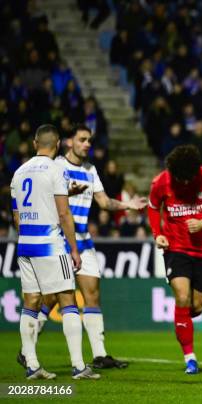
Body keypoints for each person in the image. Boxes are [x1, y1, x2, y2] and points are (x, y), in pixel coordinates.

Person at [17, 124, 147, 370]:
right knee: (52, 297)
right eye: (83, 139)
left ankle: (99, 354)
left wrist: (129, 205)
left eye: (90, 140)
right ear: (69, 142)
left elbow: (104, 202)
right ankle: (27, 350)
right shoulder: (56, 167)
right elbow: (46, 198)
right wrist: (67, 190)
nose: (87, 144)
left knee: (93, 294)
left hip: (83, 240)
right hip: (59, 239)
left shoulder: (90, 170)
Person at [11, 124, 99, 380]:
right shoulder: (55, 169)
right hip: (49, 244)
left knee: (30, 304)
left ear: (35, 142)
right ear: (58, 143)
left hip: (25, 244)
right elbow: (63, 213)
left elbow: (17, 219)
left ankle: (32, 365)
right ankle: (79, 366)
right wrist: (73, 248)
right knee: (67, 300)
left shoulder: (18, 172)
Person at [148, 145, 202, 375]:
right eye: (178, 179)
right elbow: (154, 208)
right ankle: (190, 358)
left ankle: (181, 319)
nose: (183, 183)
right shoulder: (161, 182)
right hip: (176, 248)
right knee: (182, 297)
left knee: (197, 306)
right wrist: (158, 234)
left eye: (187, 179)